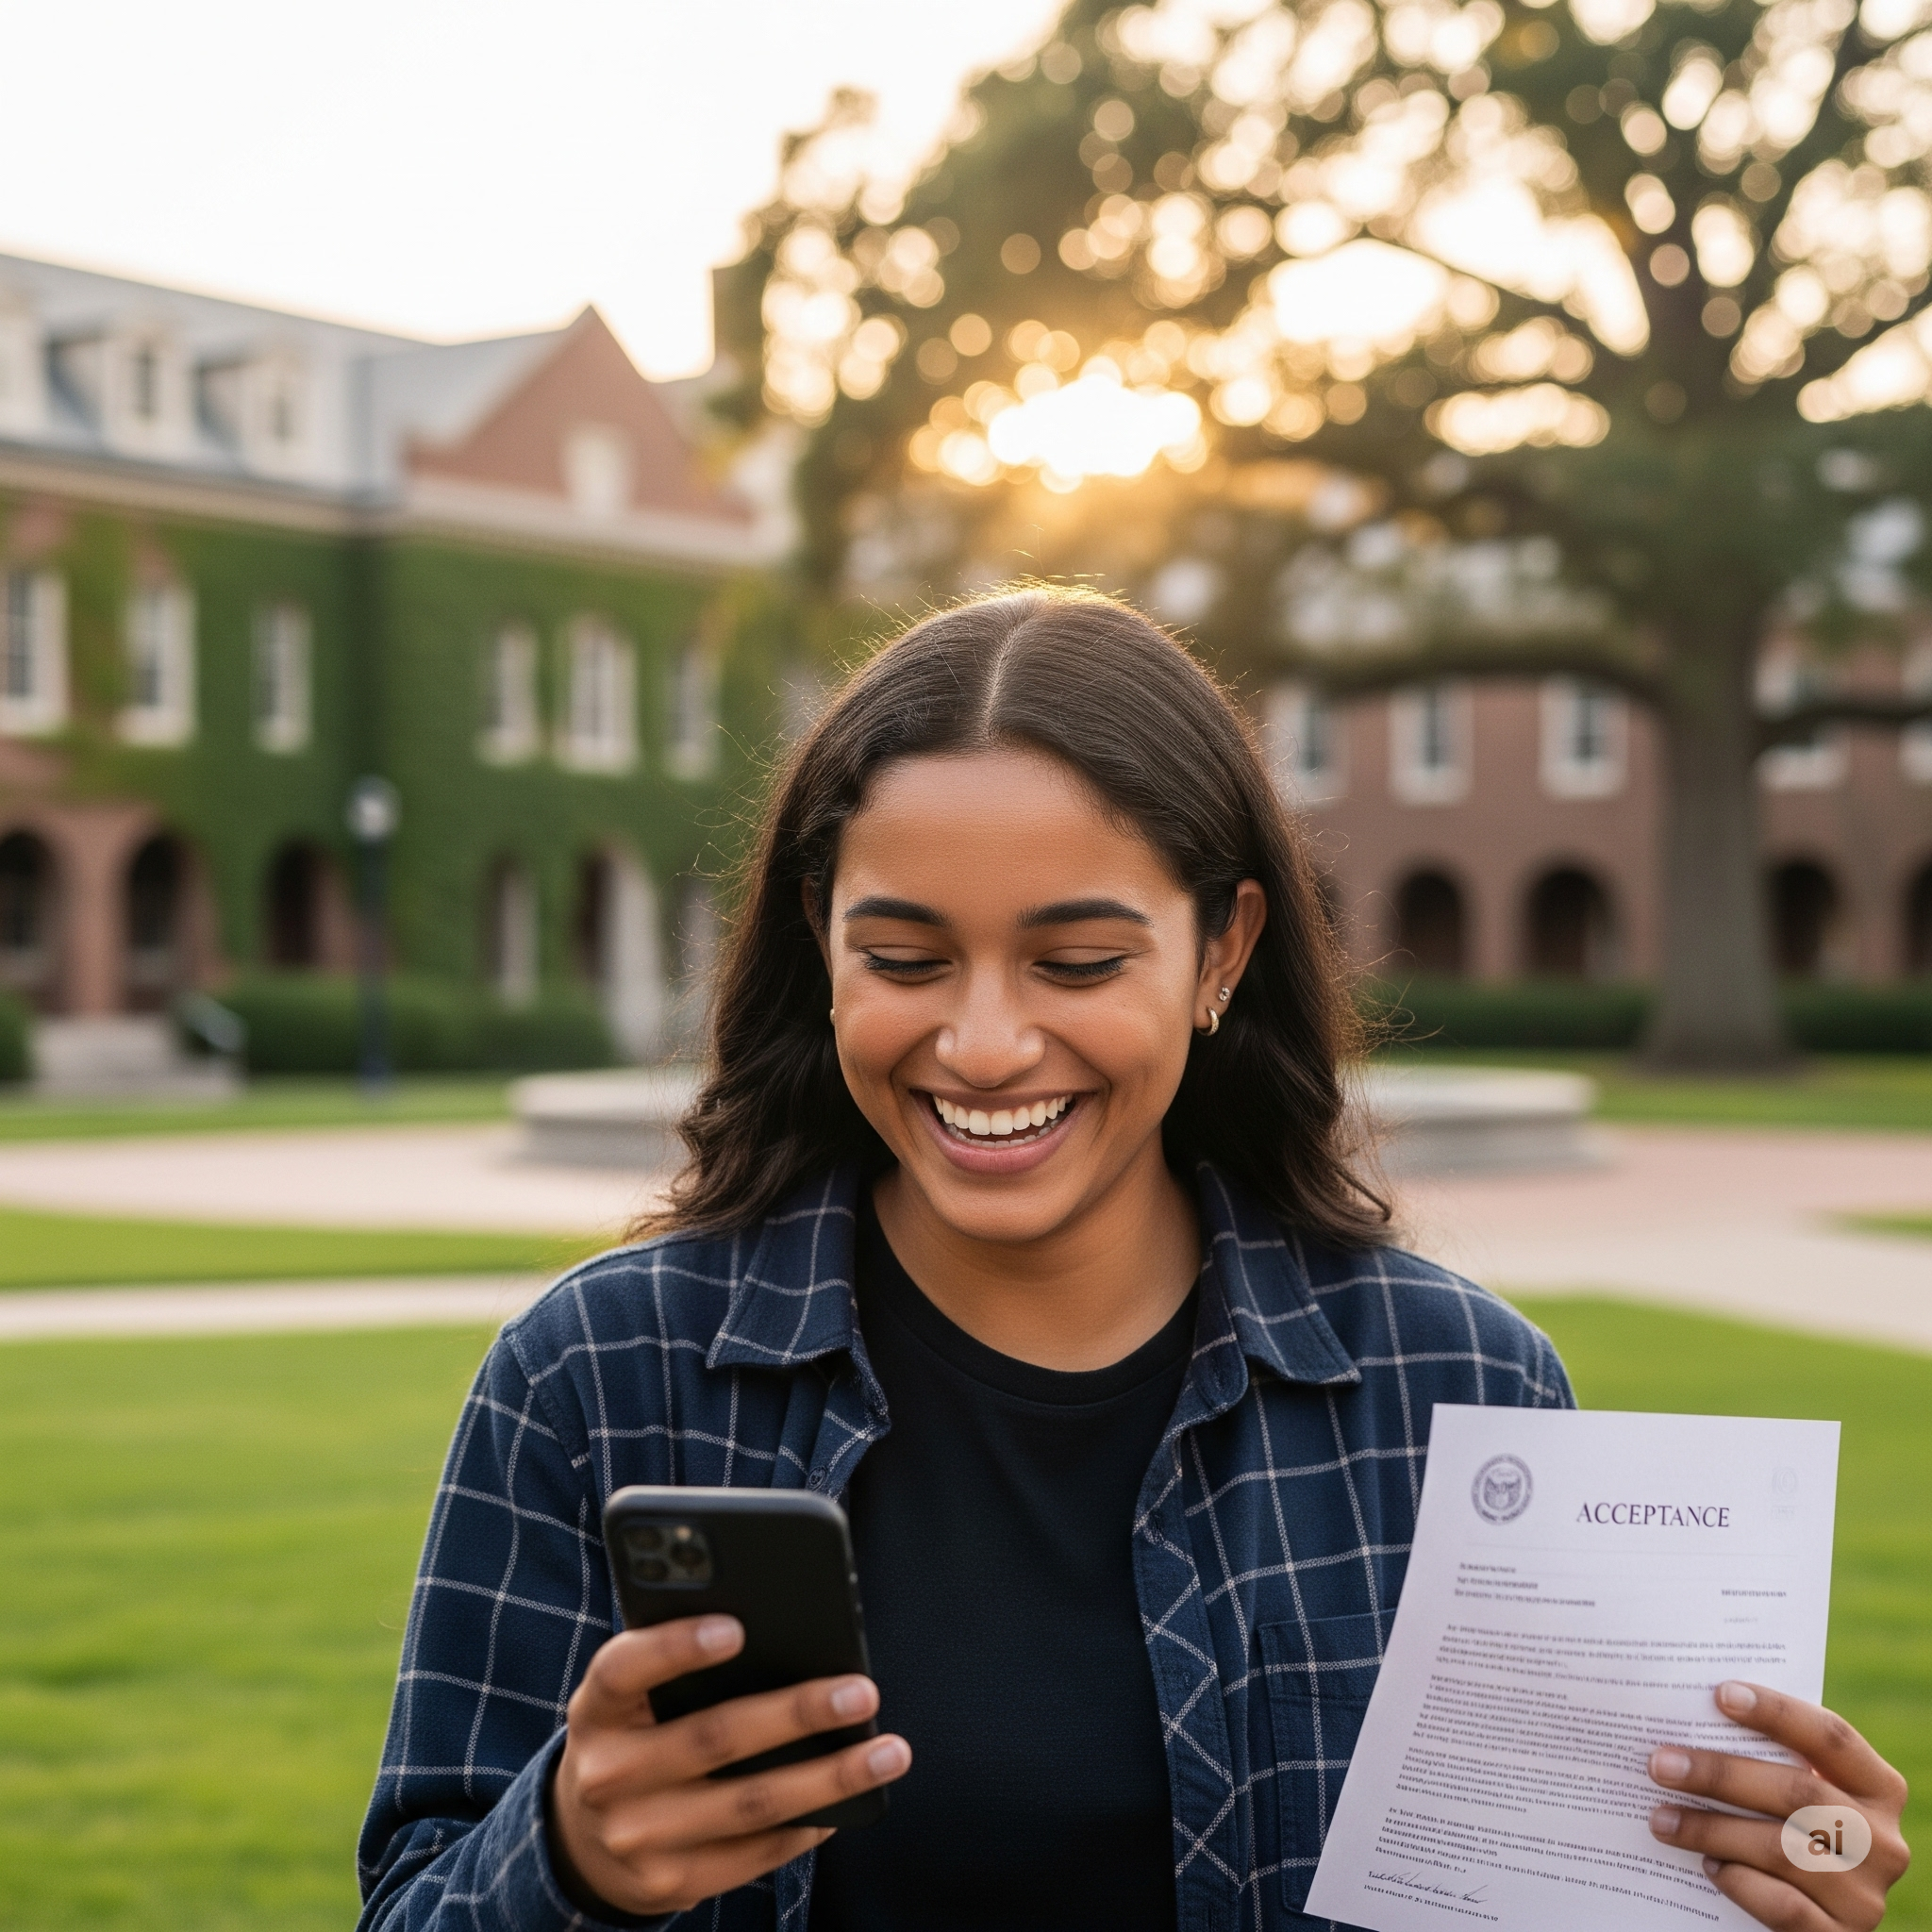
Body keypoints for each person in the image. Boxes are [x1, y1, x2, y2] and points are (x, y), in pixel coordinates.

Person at [358, 590, 1909, 1932]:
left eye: (1078, 961)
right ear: (820, 945)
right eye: (901, 959)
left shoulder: (1464, 1389)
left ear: (1221, 952)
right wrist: (567, 1857)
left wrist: (1778, 1875)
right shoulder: (598, 1376)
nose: (980, 1041)